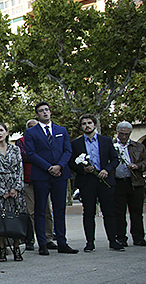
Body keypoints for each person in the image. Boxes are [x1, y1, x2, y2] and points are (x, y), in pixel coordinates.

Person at [24, 102, 77, 255]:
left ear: (50, 112)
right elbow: (31, 153)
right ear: (37, 115)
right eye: (41, 111)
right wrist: (48, 167)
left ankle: (62, 242)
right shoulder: (31, 132)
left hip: (60, 174)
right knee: (40, 210)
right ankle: (42, 243)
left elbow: (67, 150)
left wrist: (59, 166)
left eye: (47, 110)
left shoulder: (61, 130)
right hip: (41, 175)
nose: (45, 112)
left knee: (59, 209)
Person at [68, 114, 121, 252]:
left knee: (109, 212)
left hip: (104, 180)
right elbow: (71, 163)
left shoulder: (106, 141)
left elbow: (115, 159)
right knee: (89, 212)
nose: (87, 125)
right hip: (87, 181)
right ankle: (90, 242)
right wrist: (83, 169)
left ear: (95, 125)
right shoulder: (76, 143)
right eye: (84, 123)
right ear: (81, 127)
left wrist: (107, 170)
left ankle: (113, 241)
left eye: (89, 123)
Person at [0, 123, 25, 262]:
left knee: (15, 218)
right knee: (1, 219)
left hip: (15, 188)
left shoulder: (15, 149)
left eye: (1, 131)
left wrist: (15, 188)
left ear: (7, 133)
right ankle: (2, 248)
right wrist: (3, 191)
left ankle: (17, 248)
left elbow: (20, 170)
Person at [16, 119, 57, 251]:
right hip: (28, 180)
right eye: (31, 127)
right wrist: (39, 155)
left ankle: (48, 238)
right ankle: (31, 239)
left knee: (46, 211)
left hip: (44, 179)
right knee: (31, 212)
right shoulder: (21, 141)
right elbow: (25, 156)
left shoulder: (46, 138)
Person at [113, 121, 146, 247]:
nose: (123, 137)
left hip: (135, 182)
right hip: (118, 182)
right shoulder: (111, 146)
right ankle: (120, 237)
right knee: (119, 212)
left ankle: (138, 237)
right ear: (117, 133)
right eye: (121, 134)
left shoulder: (138, 147)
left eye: (126, 134)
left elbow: (145, 161)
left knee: (136, 212)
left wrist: (137, 166)